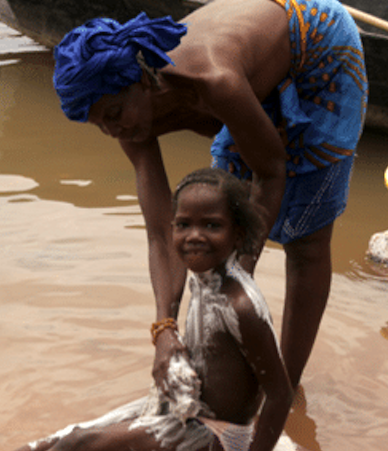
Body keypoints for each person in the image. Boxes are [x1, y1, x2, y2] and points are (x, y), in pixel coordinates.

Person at [52, 0, 367, 437]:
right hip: (249, 66)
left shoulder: (212, 81)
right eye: (99, 125)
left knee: (305, 237)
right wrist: (164, 327)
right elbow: (162, 233)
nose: (113, 132)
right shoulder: (126, 114)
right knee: (212, 219)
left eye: (114, 116)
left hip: (317, 48)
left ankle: (286, 389)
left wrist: (238, 278)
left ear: (141, 80)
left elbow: (271, 170)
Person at [17, 168, 293, 451]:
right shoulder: (206, 279)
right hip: (189, 413)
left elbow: (280, 395)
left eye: (211, 225)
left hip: (219, 435)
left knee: (78, 444)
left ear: (238, 234)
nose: (194, 236)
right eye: (183, 224)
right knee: (49, 443)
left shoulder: (240, 305)